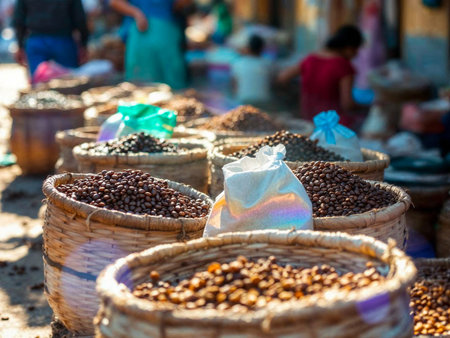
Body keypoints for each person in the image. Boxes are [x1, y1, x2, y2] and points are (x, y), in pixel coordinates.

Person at [278, 25, 364, 127]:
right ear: (349, 47)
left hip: (308, 121)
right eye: (356, 50)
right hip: (333, 127)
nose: (356, 54)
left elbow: (282, 78)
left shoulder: (310, 59)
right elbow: (347, 104)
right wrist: (367, 107)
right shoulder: (344, 66)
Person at [110, 0, 192, 89]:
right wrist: (137, 13)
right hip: (143, 32)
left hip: (167, 31)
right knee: (142, 84)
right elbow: (115, 2)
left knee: (172, 83)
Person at [12, 0, 89, 76]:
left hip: (36, 41)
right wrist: (84, 44)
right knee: (68, 80)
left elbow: (19, 20)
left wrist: (20, 45)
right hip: (63, 41)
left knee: (39, 82)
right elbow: (80, 19)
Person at [231, 35, 272, 105]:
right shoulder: (269, 64)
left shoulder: (237, 63)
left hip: (243, 101)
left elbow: (234, 86)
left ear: (247, 48)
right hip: (264, 101)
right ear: (262, 48)